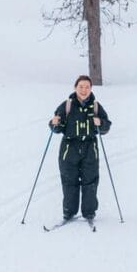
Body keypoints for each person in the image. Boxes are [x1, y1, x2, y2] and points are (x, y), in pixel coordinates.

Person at [49, 75, 112, 221]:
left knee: (90, 181)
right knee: (69, 181)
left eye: (87, 87)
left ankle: (89, 212)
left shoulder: (96, 106)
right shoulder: (67, 105)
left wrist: (100, 123)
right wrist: (54, 123)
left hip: (90, 148)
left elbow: (106, 126)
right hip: (69, 149)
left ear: (91, 89)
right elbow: (56, 128)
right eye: (81, 87)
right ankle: (69, 211)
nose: (84, 90)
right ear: (75, 88)